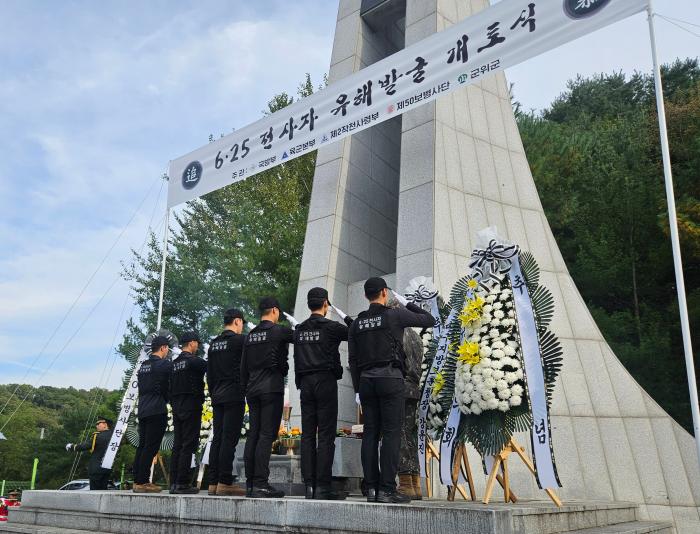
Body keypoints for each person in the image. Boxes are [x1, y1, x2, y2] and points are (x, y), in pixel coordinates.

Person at [348, 277, 434, 504]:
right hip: (390, 379)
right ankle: (387, 488)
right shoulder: (394, 315)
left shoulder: (357, 323)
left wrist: (357, 389)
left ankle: (371, 489)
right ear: (384, 292)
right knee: (392, 433)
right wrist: (407, 303)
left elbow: (353, 359)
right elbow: (429, 319)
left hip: (366, 381)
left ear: (366, 295)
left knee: (370, 434)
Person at [293, 287, 353, 500]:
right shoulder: (332, 327)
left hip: (306, 383)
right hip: (326, 382)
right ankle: (323, 487)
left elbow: (296, 359)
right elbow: (355, 331)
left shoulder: (299, 329)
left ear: (309, 305)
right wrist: (343, 315)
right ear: (325, 304)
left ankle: (309, 485)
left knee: (308, 435)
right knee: (326, 435)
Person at [241, 296, 293, 498]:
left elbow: (243, 367)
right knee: (266, 435)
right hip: (271, 389)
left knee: (253, 434)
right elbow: (300, 336)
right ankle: (261, 483)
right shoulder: (278, 331)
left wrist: (246, 389)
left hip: (252, 390)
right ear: (274, 310)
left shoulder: (250, 335)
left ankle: (250, 484)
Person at [206, 308, 247, 496]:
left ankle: (213, 482)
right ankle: (224, 481)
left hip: (217, 396)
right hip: (233, 394)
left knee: (218, 438)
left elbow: (210, 374)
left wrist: (214, 392)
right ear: (237, 321)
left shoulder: (213, 344)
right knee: (229, 439)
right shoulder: (240, 341)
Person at [132, 335, 172, 493]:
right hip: (156, 409)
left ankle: (137, 480)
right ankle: (142, 482)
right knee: (151, 446)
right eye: (167, 349)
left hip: (143, 409)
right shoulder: (163, 364)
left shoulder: (144, 366)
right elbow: (168, 385)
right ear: (163, 348)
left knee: (142, 446)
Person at [170, 331, 207, 494]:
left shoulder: (174, 364)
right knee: (188, 444)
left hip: (176, 406)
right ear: (191, 343)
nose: (197, 346)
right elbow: (210, 368)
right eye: (196, 343)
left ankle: (173, 482)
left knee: (178, 444)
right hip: (191, 404)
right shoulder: (194, 362)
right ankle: (182, 483)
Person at [398, 326, 425, 500]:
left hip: (400, 386)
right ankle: (415, 483)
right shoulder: (416, 336)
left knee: (399, 432)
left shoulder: (397, 332)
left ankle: (406, 482)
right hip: (414, 389)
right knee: (410, 434)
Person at [65, 416, 114, 490]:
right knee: (103, 489)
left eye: (99, 423)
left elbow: (86, 446)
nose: (96, 425)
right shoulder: (114, 436)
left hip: (96, 467)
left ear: (105, 424)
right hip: (107, 468)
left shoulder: (98, 435)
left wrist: (72, 446)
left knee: (95, 490)